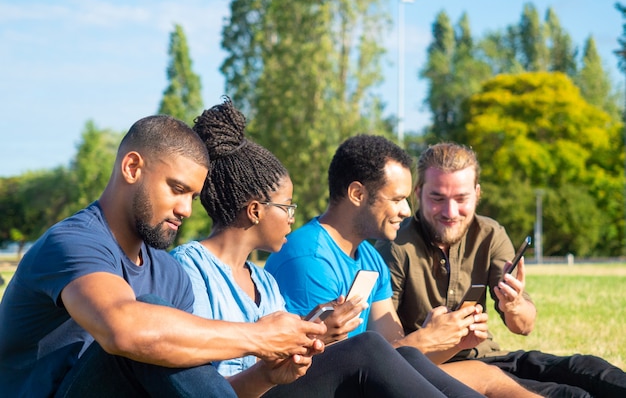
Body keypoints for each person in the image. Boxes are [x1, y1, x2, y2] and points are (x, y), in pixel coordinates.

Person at [171, 98, 485, 398]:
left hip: (275, 389)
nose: (293, 218)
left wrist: (312, 337)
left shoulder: (263, 282)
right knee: (368, 349)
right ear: (255, 211)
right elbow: (196, 384)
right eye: (287, 208)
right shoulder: (191, 270)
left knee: (406, 358)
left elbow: (279, 365)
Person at [0, 114, 327, 397]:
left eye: (193, 196)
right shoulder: (73, 242)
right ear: (132, 167)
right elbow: (122, 329)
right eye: (176, 188)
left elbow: (194, 389)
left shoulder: (171, 274)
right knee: (148, 321)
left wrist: (264, 375)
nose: (185, 209)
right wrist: (260, 337)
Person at [265, 134, 540, 397]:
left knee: (489, 376)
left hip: (362, 380)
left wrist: (448, 340)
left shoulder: (370, 258)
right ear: (358, 194)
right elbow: (329, 370)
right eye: (397, 199)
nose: (407, 210)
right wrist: (427, 337)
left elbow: (399, 355)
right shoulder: (308, 261)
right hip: (329, 386)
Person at [375, 141, 626, 398]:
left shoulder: (489, 233)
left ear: (477, 193)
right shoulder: (395, 245)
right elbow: (386, 350)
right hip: (432, 370)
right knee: (568, 394)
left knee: (588, 369)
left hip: (490, 357)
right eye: (437, 198)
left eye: (461, 199)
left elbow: (524, 326)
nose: (450, 212)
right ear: (418, 193)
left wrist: (514, 304)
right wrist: (434, 337)